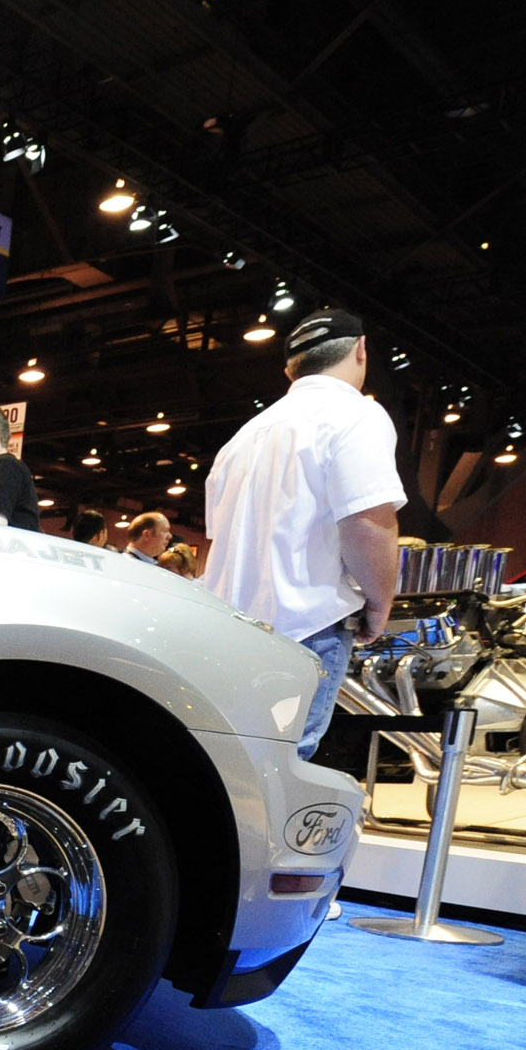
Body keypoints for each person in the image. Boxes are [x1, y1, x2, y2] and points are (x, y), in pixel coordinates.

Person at [199, 308, 404, 759]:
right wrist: (380, 601)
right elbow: (367, 521)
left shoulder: (242, 437)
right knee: (281, 768)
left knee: (230, 767)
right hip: (304, 627)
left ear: (291, 367)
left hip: (226, 631)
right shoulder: (356, 415)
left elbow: (215, 541)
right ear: (361, 349)